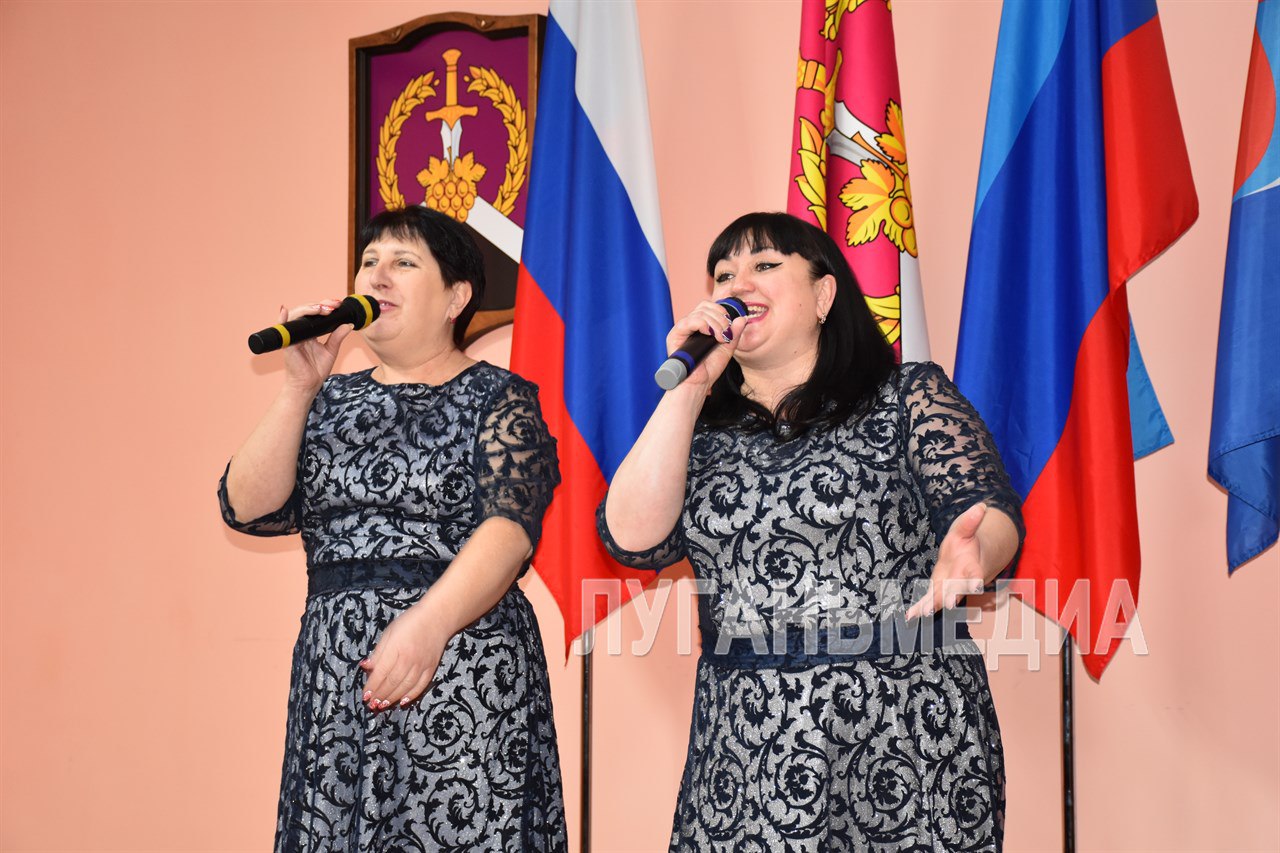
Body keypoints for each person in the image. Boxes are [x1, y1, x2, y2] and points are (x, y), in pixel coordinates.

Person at [598, 212, 1024, 851]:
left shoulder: (905, 395)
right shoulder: (697, 431)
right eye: (723, 275)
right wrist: (689, 390)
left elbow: (985, 508)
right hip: (746, 738)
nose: (738, 284)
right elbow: (633, 540)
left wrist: (977, 553)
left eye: (765, 265)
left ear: (824, 295)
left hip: (903, 725)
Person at [219, 206, 566, 851]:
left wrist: (427, 626)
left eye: (404, 263)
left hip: (460, 664)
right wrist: (298, 388)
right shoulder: (327, 400)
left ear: (456, 297)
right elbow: (246, 506)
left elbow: (510, 529)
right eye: (369, 262)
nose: (377, 277)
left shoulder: (499, 397)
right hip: (339, 675)